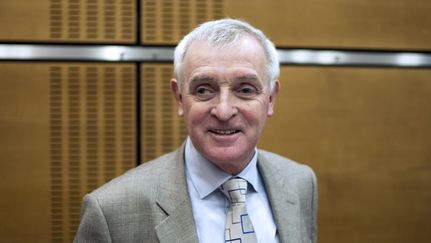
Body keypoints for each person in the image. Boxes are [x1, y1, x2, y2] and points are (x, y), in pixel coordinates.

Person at [74, 18, 317, 243]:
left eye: (245, 90)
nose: (223, 111)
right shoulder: (110, 212)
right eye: (203, 90)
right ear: (180, 98)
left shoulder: (301, 183)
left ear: (271, 99)